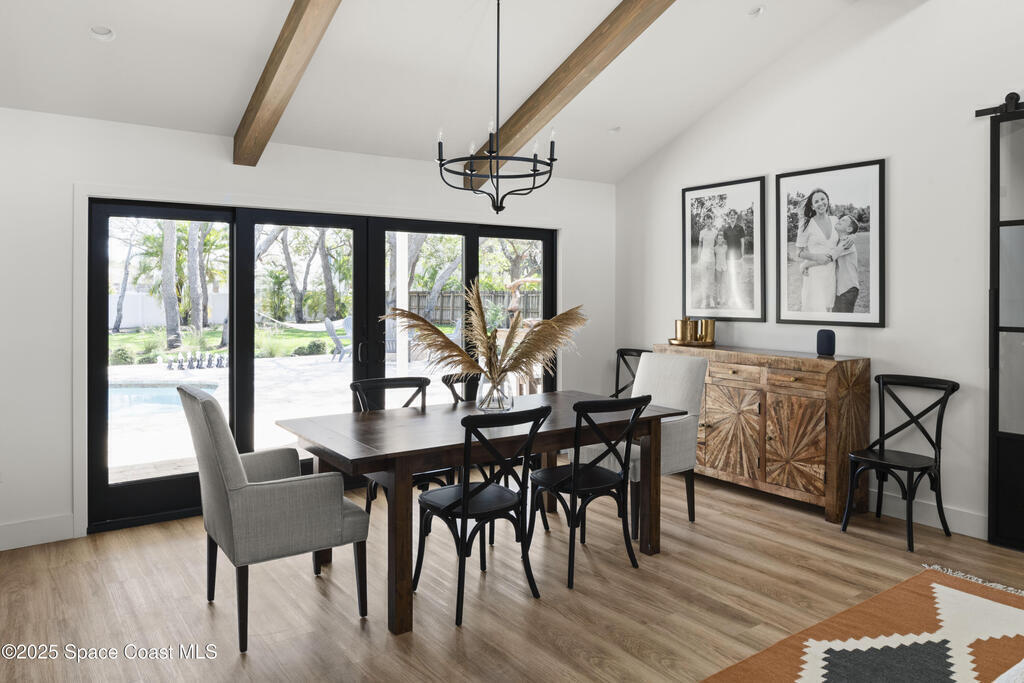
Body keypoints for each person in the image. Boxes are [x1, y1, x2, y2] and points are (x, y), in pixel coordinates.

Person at [795, 188, 839, 312]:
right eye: (816, 201)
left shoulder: (835, 220)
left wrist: (806, 264)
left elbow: (839, 247)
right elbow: (799, 252)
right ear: (812, 206)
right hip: (814, 275)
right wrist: (816, 258)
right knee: (814, 311)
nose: (820, 203)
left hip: (831, 273)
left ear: (827, 200)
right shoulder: (806, 224)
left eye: (823, 199)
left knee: (828, 311)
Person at [830, 215, 860, 312]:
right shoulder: (839, 240)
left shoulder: (847, 242)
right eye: (840, 219)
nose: (839, 220)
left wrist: (806, 264)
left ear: (849, 229)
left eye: (843, 220)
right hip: (840, 289)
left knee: (844, 319)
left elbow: (829, 256)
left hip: (848, 289)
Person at [721, 209, 746, 308]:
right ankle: (731, 298)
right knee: (730, 278)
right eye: (730, 215)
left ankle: (737, 298)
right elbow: (725, 245)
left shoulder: (740, 228)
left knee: (737, 278)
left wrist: (742, 257)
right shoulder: (726, 230)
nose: (732, 216)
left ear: (736, 216)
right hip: (729, 258)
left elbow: (742, 244)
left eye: (734, 215)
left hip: (738, 257)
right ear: (729, 217)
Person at [697, 212, 718, 308]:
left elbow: (717, 246)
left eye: (709, 219)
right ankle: (704, 300)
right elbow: (699, 247)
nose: (708, 221)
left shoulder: (715, 232)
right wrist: (699, 259)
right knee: (704, 280)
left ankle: (711, 299)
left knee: (711, 280)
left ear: (712, 220)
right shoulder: (701, 232)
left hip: (712, 259)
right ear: (704, 221)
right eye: (706, 219)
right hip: (703, 259)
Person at [714, 232, 728, 307]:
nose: (720, 240)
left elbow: (727, 257)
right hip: (718, 267)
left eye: (721, 238)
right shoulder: (715, 248)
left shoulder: (726, 247)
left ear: (723, 239)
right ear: (717, 240)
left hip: (724, 267)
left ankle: (724, 299)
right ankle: (718, 299)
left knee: (724, 283)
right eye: (718, 238)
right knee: (718, 284)